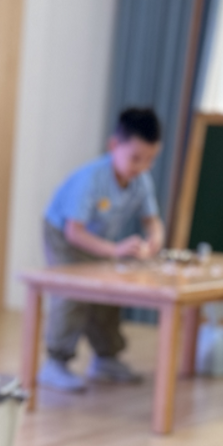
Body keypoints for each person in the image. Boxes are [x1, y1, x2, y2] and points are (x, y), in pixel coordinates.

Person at [39, 107, 166, 392]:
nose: (142, 166)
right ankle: (55, 362)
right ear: (114, 145)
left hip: (100, 240)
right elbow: (74, 231)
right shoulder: (91, 179)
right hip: (63, 235)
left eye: (150, 159)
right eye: (135, 158)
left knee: (109, 292)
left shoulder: (141, 181)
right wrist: (115, 250)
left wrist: (155, 239)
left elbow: (152, 220)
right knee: (73, 291)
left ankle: (106, 358)